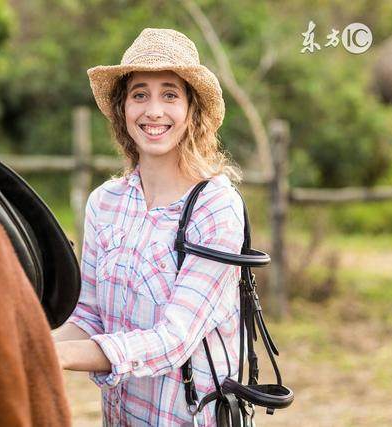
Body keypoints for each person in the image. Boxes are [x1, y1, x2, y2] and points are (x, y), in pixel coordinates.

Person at [53, 28, 245, 426]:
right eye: (140, 94)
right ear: (123, 108)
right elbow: (88, 316)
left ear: (192, 110)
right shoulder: (105, 203)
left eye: (170, 94)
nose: (153, 110)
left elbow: (174, 342)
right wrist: (23, 344)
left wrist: (56, 356)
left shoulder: (216, 207)